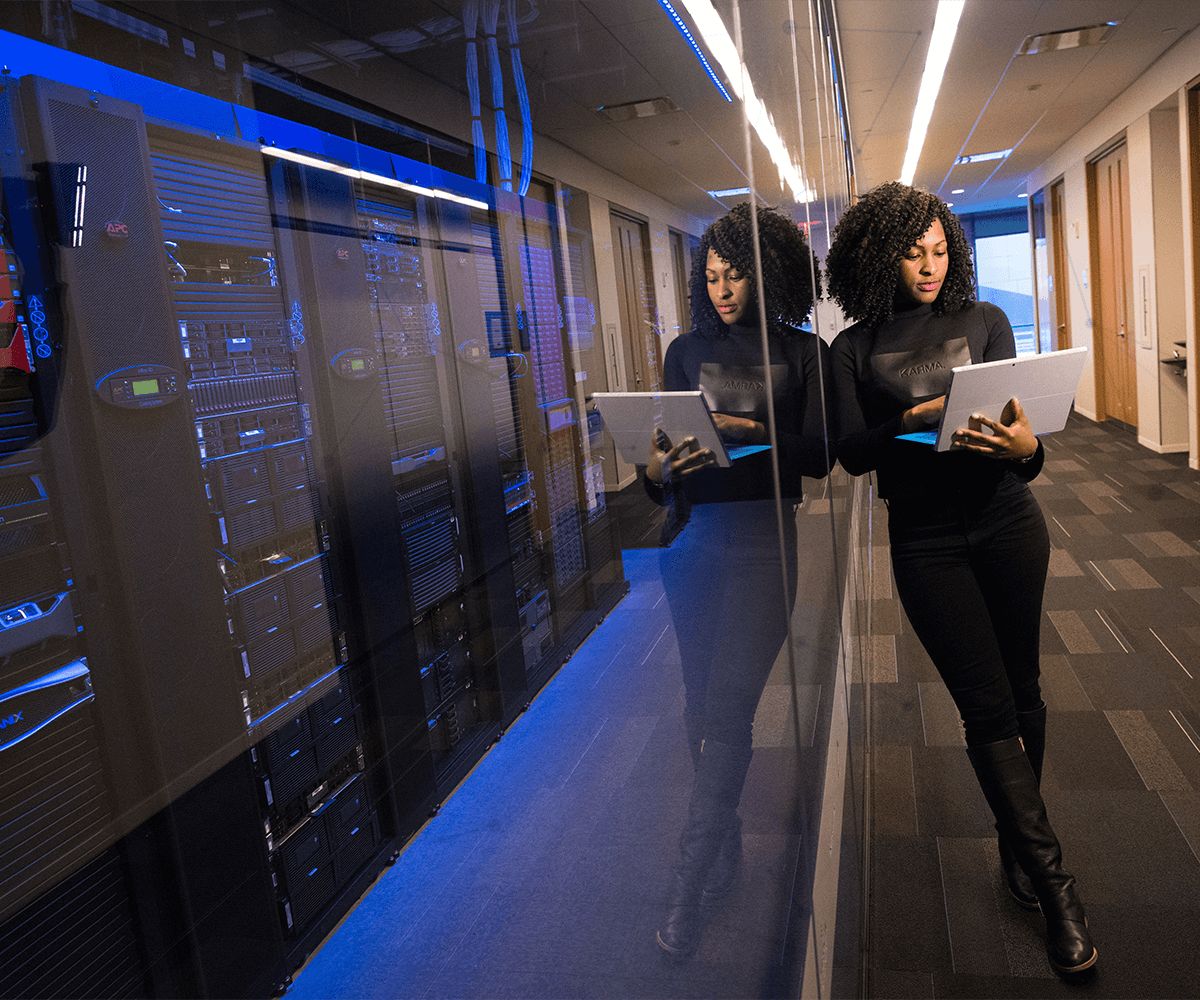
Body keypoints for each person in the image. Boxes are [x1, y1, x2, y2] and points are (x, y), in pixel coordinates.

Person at [825, 181, 1097, 975]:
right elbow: (850, 451)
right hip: (926, 540)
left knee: (1025, 691)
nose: (930, 266)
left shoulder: (985, 322)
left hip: (1008, 520)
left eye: (941, 250)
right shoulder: (854, 347)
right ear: (881, 256)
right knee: (985, 710)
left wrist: (1029, 451)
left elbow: (1026, 440)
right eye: (913, 253)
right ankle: (1057, 892)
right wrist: (909, 421)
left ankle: (1019, 845)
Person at [643, 203, 831, 958]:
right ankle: (724, 850)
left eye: (736, 274)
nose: (723, 289)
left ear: (768, 271)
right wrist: (658, 469)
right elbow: (657, 476)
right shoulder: (683, 351)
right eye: (713, 276)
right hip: (693, 543)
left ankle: (688, 885)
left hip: (764, 548)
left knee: (727, 708)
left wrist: (752, 432)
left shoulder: (802, 352)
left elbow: (821, 457)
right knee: (700, 710)